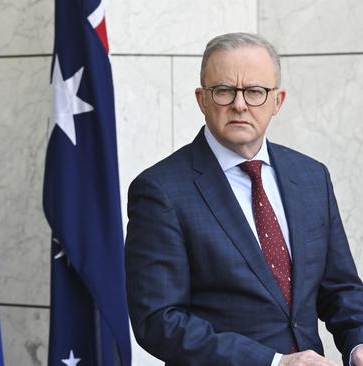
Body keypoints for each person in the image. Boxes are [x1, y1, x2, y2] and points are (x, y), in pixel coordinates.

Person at [125, 33, 363, 366]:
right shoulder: (160, 190)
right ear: (202, 100)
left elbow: (341, 289)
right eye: (224, 91)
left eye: (255, 91)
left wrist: (358, 344)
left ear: (277, 101)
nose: (240, 104)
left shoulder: (311, 177)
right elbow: (159, 320)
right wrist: (274, 362)